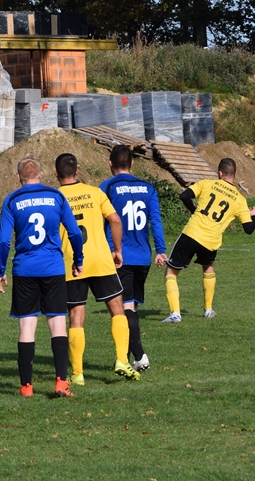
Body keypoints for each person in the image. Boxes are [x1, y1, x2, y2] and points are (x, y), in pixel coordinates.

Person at [0, 156, 84, 398]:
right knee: (57, 323)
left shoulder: (13, 200)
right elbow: (75, 233)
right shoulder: (56, 196)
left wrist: (0, 270)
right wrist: (78, 260)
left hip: (24, 269)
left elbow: (3, 241)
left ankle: (26, 386)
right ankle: (61, 381)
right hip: (53, 268)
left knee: (27, 325)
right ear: (42, 174)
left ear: (18, 177)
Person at [55, 153, 140, 384]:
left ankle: (77, 374)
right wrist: (118, 250)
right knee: (118, 309)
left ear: (56, 174)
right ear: (77, 171)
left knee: (76, 317)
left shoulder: (56, 197)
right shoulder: (95, 192)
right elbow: (115, 220)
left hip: (73, 262)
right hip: (101, 259)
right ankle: (122, 360)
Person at [161, 158, 255, 322]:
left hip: (192, 233)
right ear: (235, 174)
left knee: (171, 271)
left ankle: (175, 314)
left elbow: (184, 195)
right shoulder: (239, 199)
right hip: (211, 241)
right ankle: (208, 310)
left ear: (220, 173)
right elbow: (248, 229)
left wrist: (195, 211)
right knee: (208, 268)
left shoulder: (207, 183)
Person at [100, 145, 168, 372]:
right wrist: (160, 249)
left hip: (120, 255)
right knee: (131, 307)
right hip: (143, 256)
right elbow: (155, 220)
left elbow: (100, 221)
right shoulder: (148, 188)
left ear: (110, 164)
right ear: (132, 163)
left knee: (123, 308)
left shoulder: (107, 187)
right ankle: (125, 359)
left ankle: (139, 355)